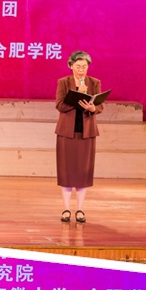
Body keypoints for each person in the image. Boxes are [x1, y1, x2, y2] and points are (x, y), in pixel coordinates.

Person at [54, 50, 103, 224]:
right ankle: (66, 209)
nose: (81, 70)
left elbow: (100, 106)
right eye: (78, 66)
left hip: (86, 132)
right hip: (67, 132)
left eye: (84, 66)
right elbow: (60, 106)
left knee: (83, 172)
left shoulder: (95, 83)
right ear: (71, 66)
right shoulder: (63, 82)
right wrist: (77, 94)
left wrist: (93, 109)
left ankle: (80, 209)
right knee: (67, 171)